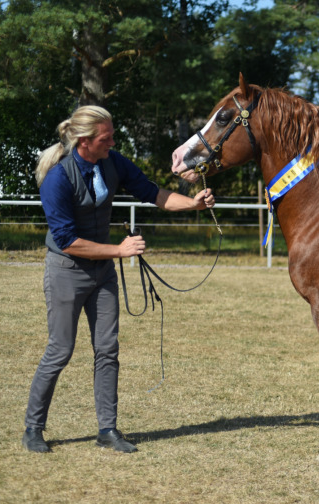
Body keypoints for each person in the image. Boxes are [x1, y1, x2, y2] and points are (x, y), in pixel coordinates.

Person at [23, 105, 215, 453]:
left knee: (108, 350)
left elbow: (152, 193)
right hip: (66, 272)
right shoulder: (58, 179)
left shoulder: (113, 162)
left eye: (112, 135)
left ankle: (107, 430)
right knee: (60, 350)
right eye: (106, 137)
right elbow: (67, 242)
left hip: (103, 273)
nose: (113, 141)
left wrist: (193, 204)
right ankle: (33, 428)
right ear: (84, 142)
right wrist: (120, 250)